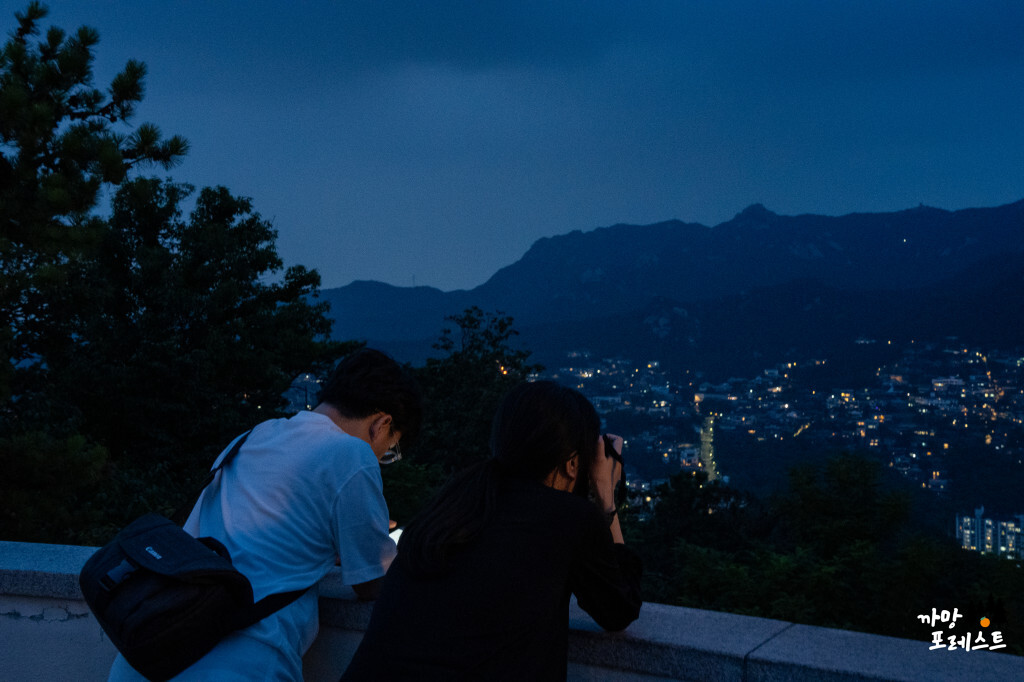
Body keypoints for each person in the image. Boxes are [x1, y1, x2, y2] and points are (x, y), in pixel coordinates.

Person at [108, 348, 422, 682]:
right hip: (242, 662)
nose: (381, 458)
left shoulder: (253, 436)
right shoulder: (352, 453)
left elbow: (217, 541)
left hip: (152, 655)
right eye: (389, 450)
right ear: (382, 423)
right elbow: (372, 584)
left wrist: (331, 547)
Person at [340, 380, 643, 682]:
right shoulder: (569, 517)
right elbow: (618, 609)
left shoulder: (454, 502)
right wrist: (606, 495)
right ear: (574, 464)